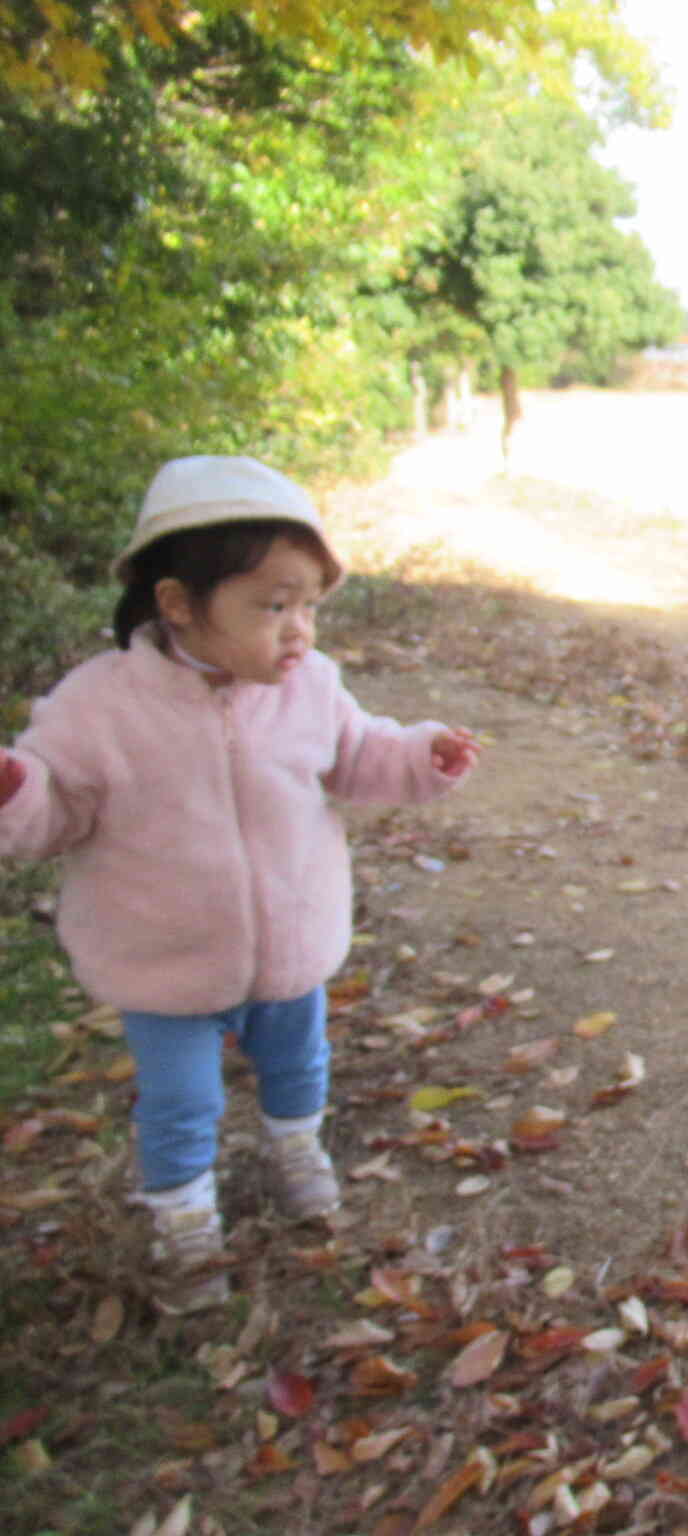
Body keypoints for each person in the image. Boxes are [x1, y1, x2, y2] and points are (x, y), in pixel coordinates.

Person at [0, 455, 480, 1312]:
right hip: (164, 961)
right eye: (272, 606)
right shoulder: (99, 706)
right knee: (182, 1102)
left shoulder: (310, 688)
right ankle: (185, 1223)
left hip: (290, 945)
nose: (299, 631)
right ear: (178, 603)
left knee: (300, 1066)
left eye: (307, 607)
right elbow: (55, 811)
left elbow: (359, 755)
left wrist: (419, 755)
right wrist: (17, 794)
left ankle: (296, 1150)